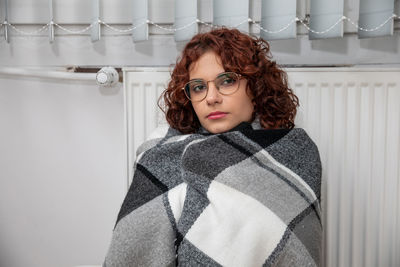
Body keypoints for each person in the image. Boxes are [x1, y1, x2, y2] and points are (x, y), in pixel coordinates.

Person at [103, 27, 322, 267]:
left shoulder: (293, 152)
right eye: (198, 87)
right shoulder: (162, 152)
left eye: (227, 81)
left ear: (256, 87)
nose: (211, 98)